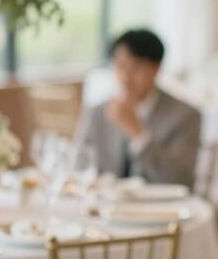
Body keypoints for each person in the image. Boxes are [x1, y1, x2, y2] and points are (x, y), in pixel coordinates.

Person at [75, 29, 201, 186]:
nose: (126, 77)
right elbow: (79, 167)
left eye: (135, 68)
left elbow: (180, 180)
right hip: (104, 200)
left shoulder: (185, 116)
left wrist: (137, 133)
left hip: (160, 201)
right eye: (120, 66)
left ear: (156, 69)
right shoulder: (98, 112)